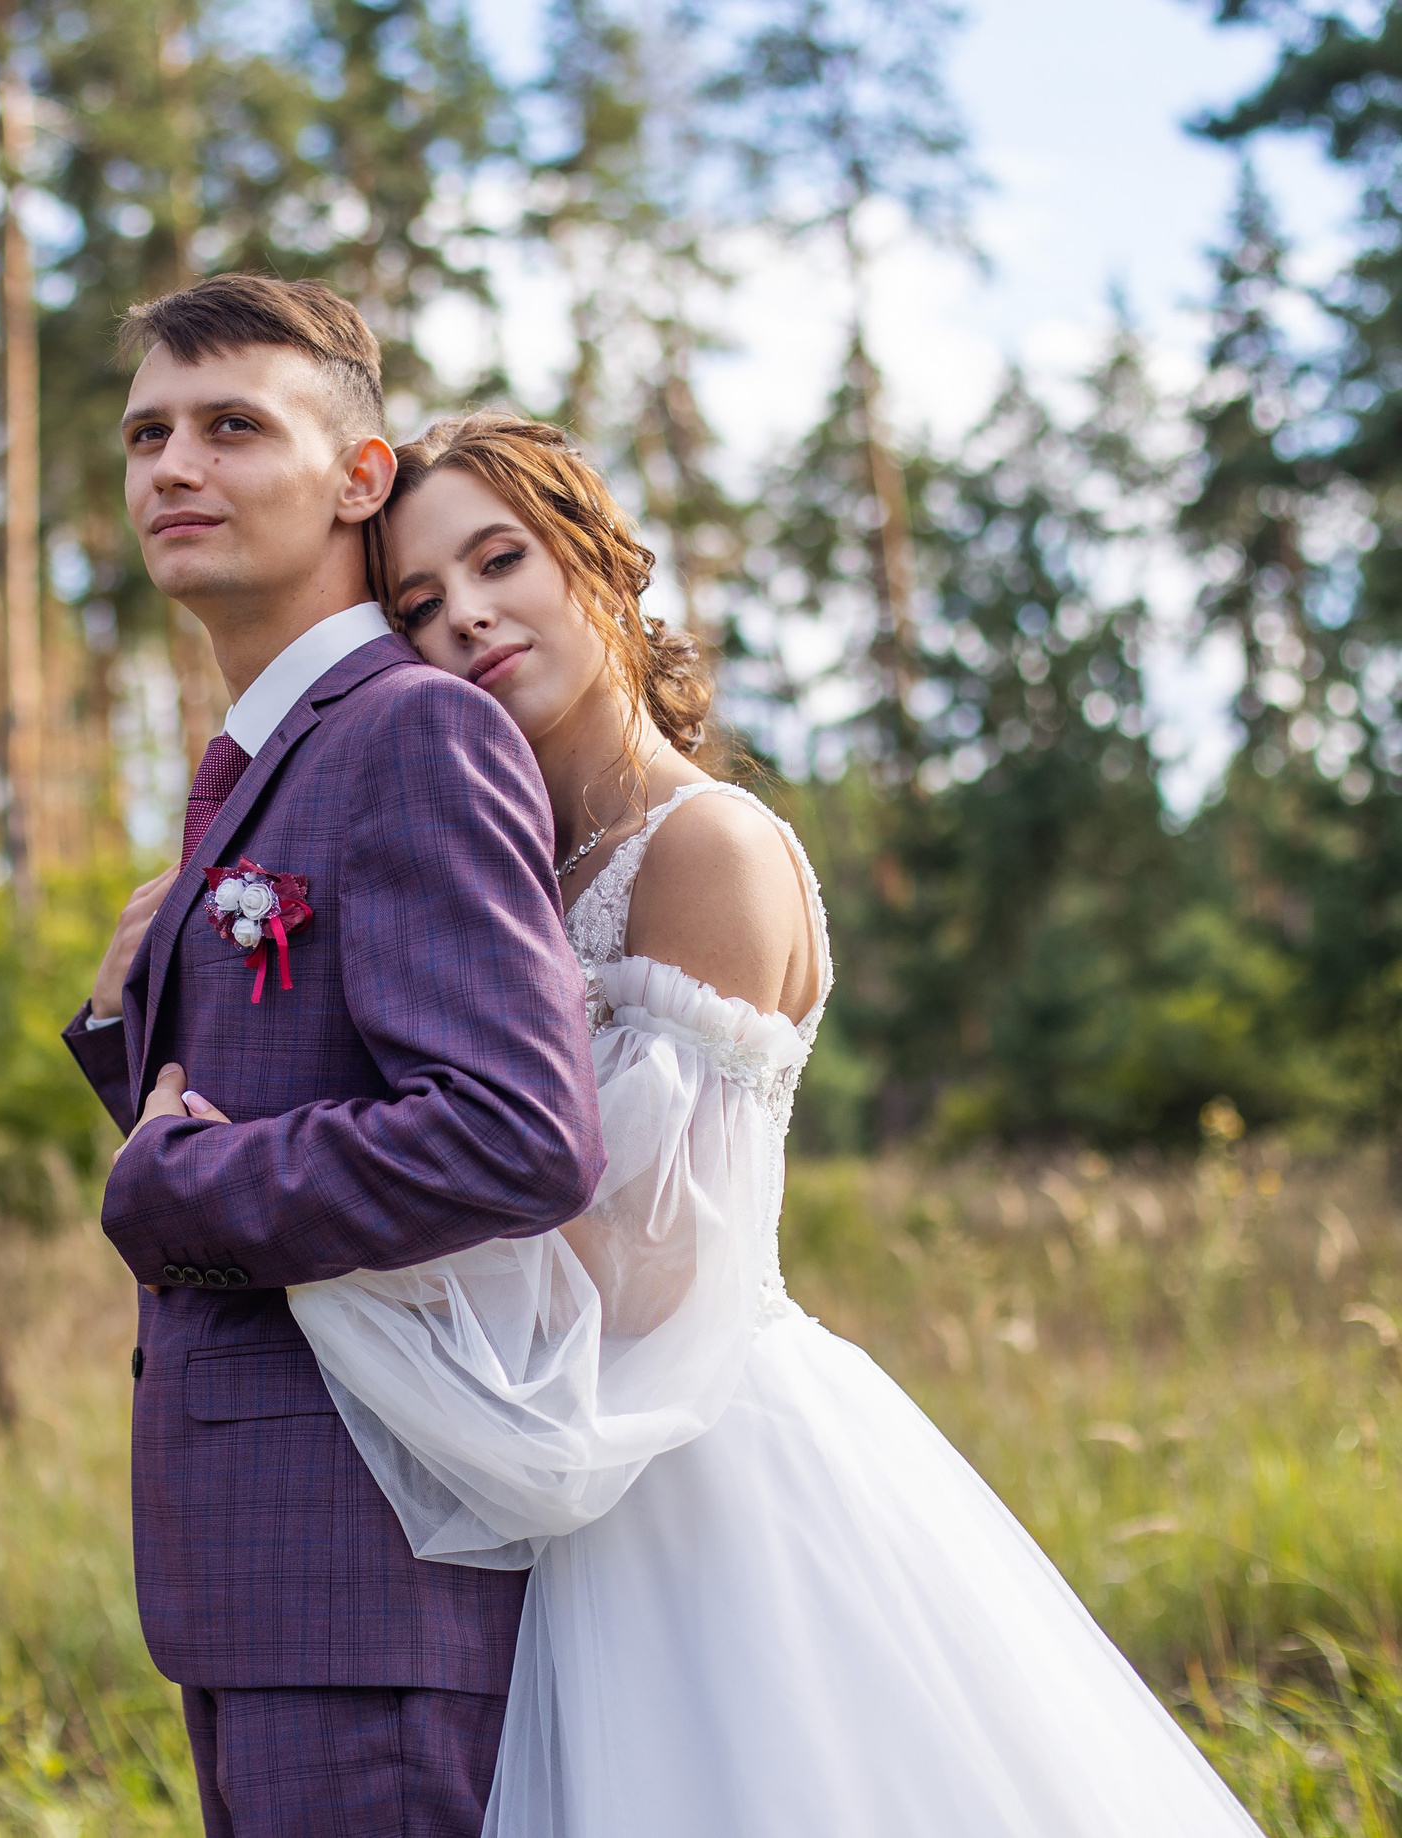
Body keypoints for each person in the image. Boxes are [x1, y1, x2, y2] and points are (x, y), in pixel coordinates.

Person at [284, 411, 1264, 1836]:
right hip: (570, 1468)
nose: (469, 617)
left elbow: (642, 1270)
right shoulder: (519, 871)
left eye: (503, 559)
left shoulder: (709, 848)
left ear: (602, 567)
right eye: (420, 605)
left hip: (702, 1472)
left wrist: (305, 1219)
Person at [64, 278, 606, 1836]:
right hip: (262, 1581)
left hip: (370, 1577)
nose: (175, 465)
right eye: (148, 433)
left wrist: (175, 1183)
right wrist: (131, 1032)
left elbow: (518, 1132)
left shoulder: (411, 731)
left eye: (235, 426)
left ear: (361, 476)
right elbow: (301, 1078)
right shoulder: (263, 761)